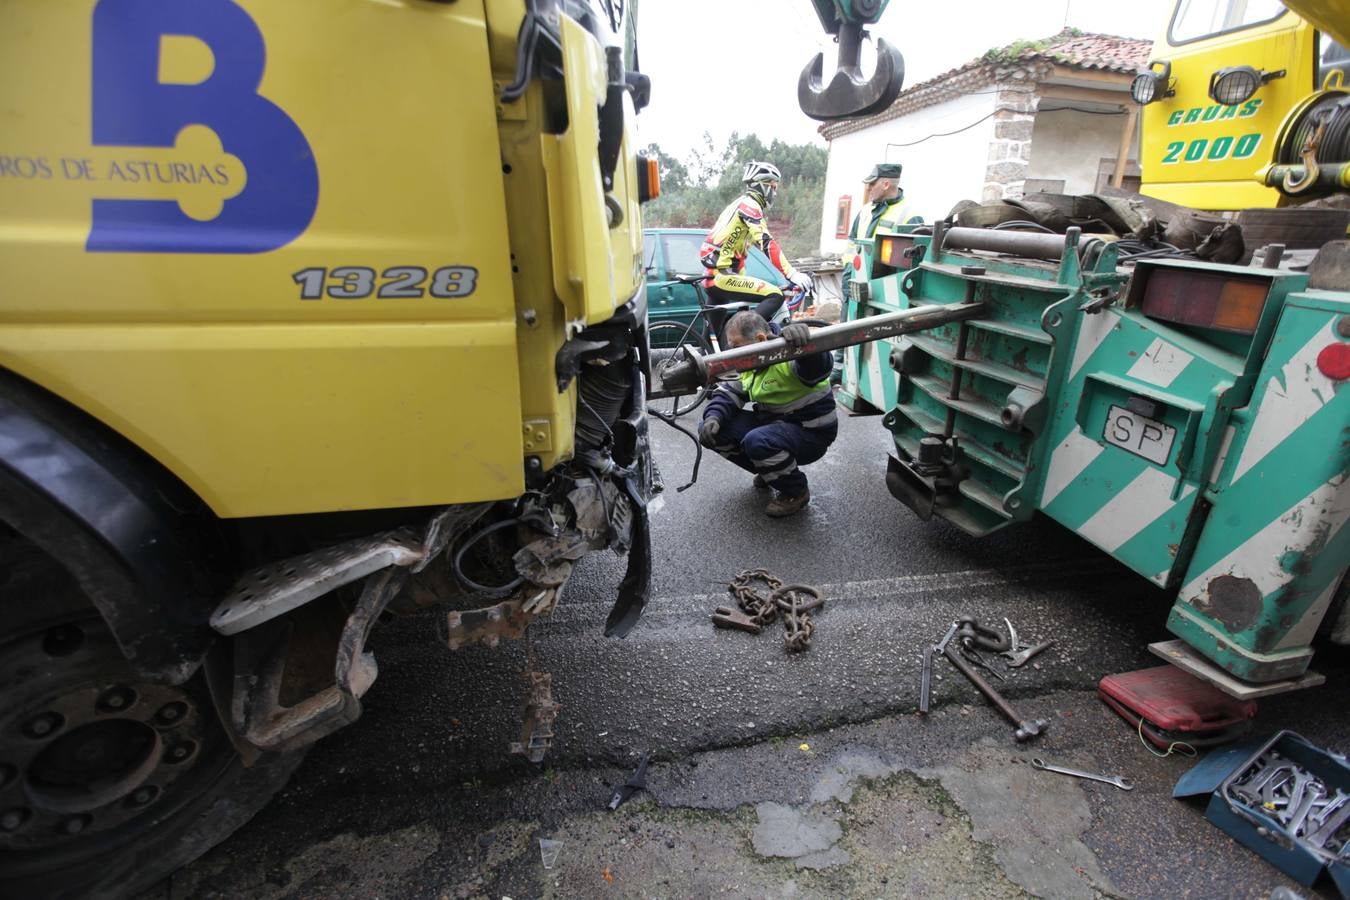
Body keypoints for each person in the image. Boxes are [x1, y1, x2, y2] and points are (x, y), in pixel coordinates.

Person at [697, 312, 838, 518]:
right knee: (711, 430)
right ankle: (773, 472)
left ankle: (795, 491)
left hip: (811, 435)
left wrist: (805, 348)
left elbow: (818, 368)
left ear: (760, 340)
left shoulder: (787, 356)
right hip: (779, 427)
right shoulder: (750, 363)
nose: (731, 351)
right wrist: (713, 417)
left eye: (735, 345)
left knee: (759, 441)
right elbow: (728, 394)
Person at [700, 161, 813, 328]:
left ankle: (718, 349)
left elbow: (755, 248)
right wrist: (792, 274)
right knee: (775, 296)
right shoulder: (750, 207)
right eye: (773, 186)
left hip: (716, 276)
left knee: (711, 343)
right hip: (722, 276)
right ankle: (743, 332)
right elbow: (767, 243)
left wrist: (783, 277)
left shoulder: (740, 203)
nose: (775, 192)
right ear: (762, 186)